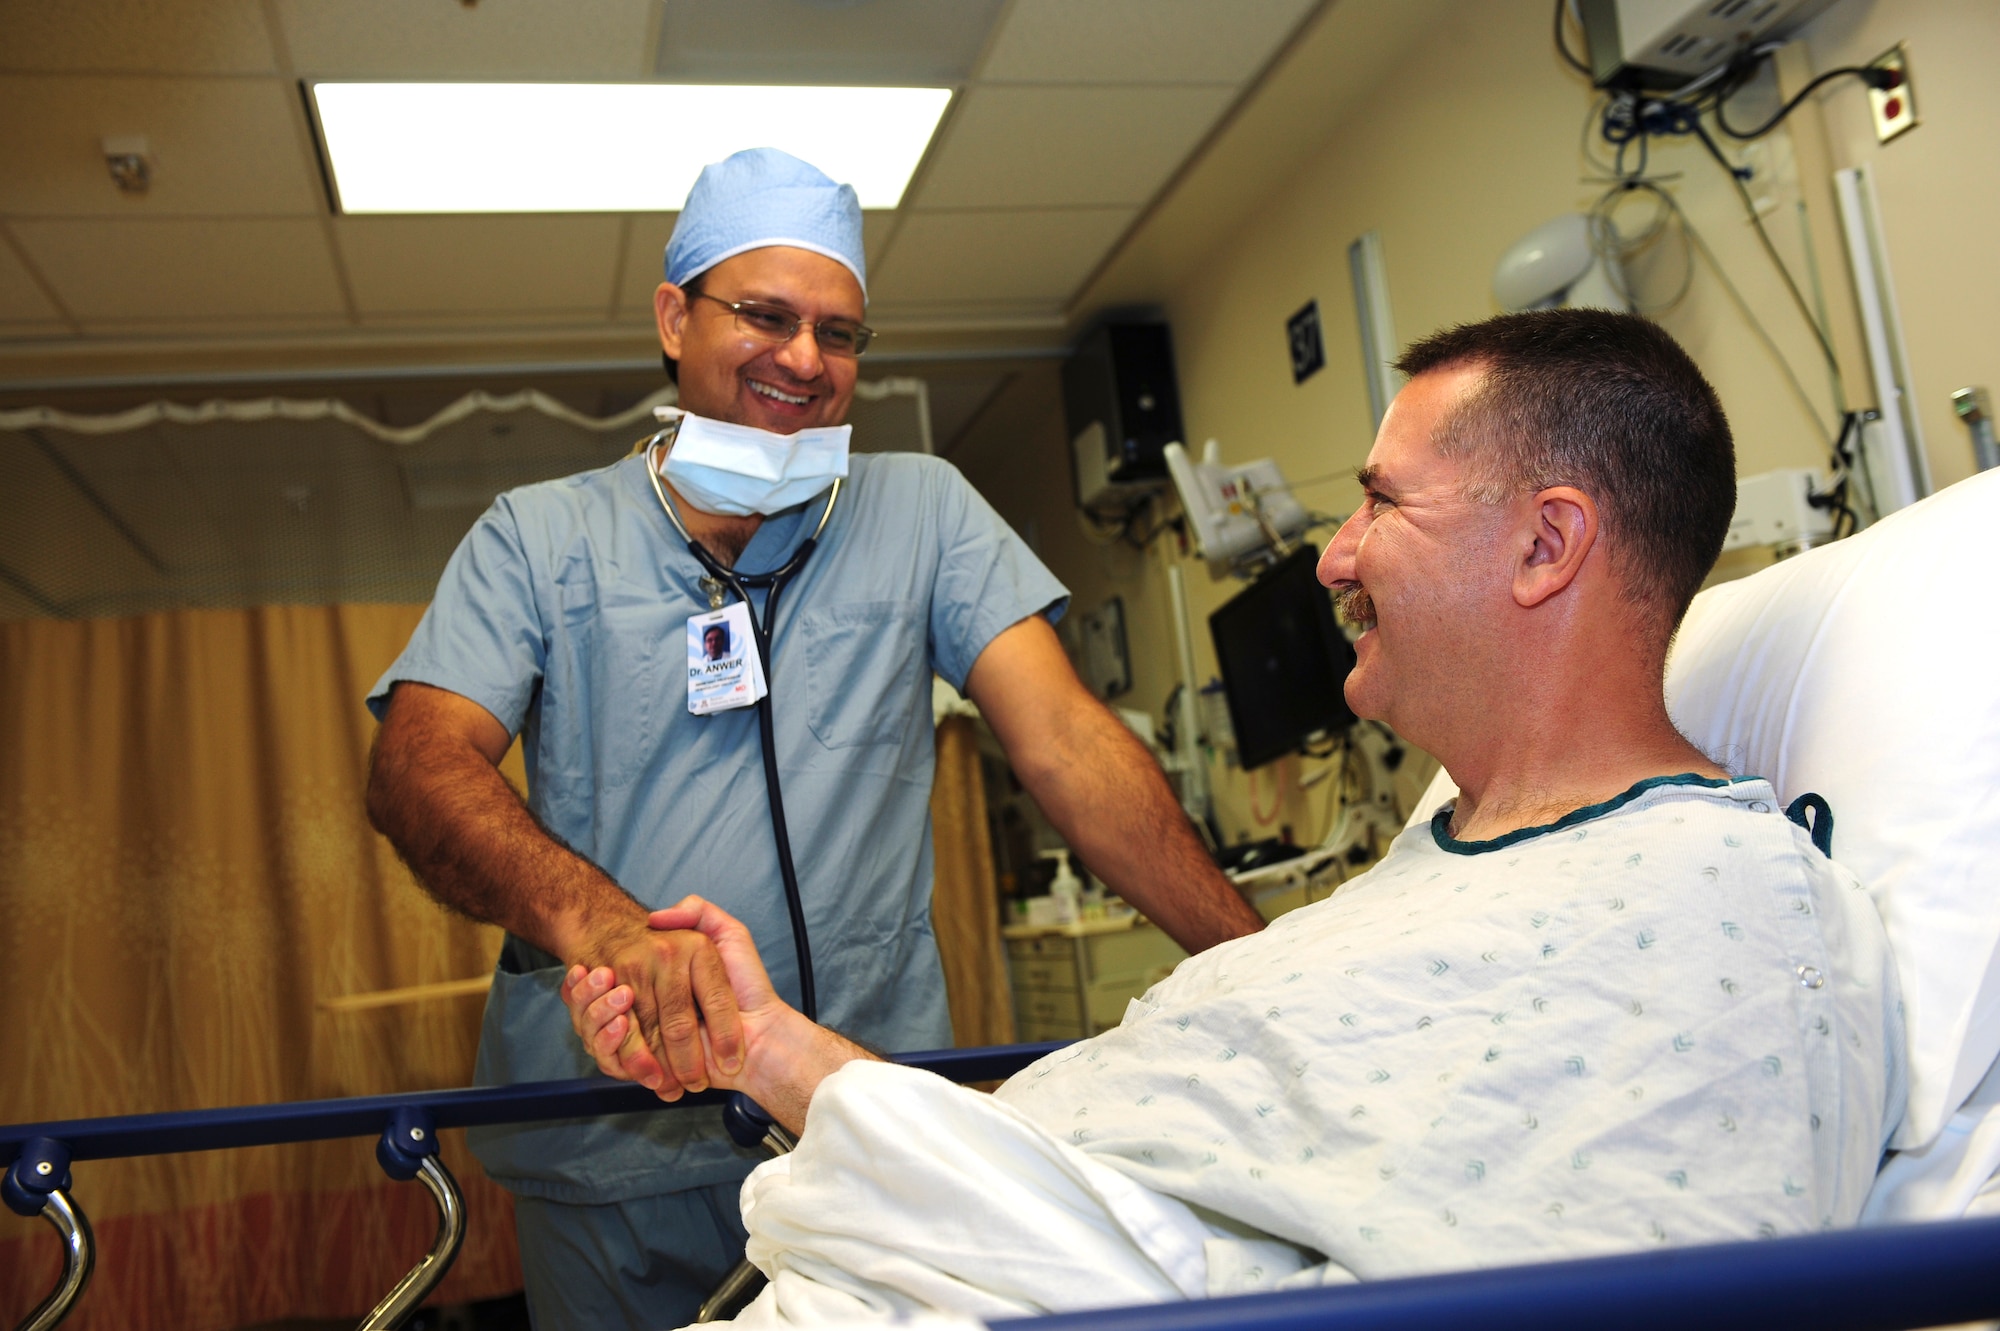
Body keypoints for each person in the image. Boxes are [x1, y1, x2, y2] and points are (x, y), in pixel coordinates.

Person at [563, 309, 1907, 1323]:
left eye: (1380, 499)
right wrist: (770, 1049)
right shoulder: (1410, 881)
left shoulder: (1733, 900)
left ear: (1547, 545)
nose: (1330, 552)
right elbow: (1109, 1161)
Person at [363, 147, 1264, 1330]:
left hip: (863, 1115)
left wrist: (1256, 967)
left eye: (840, 333)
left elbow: (1067, 749)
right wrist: (613, 930)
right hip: (613, 1140)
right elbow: (419, 766)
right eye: (766, 315)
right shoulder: (540, 538)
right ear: (673, 318)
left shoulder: (921, 511)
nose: (805, 358)